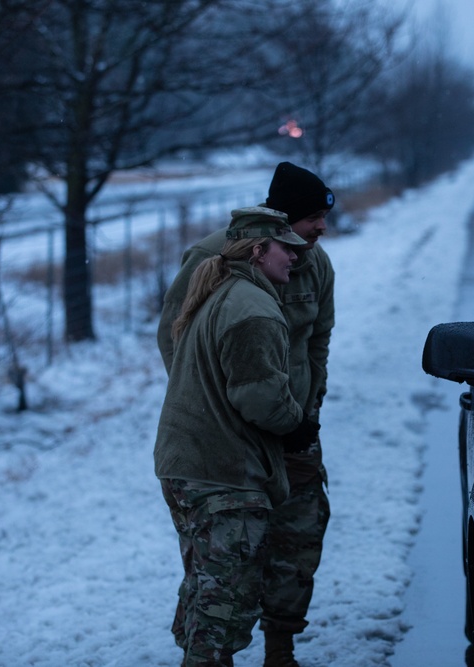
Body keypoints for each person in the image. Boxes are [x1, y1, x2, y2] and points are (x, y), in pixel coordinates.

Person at [157, 162, 335, 667]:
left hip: (291, 430)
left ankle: (281, 648)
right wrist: (215, 412)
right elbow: (177, 336)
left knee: (296, 542)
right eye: (310, 219)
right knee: (226, 557)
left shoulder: (317, 266)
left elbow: (317, 341)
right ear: (271, 232)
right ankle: (209, 650)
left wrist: (305, 414)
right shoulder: (213, 259)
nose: (320, 230)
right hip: (233, 436)